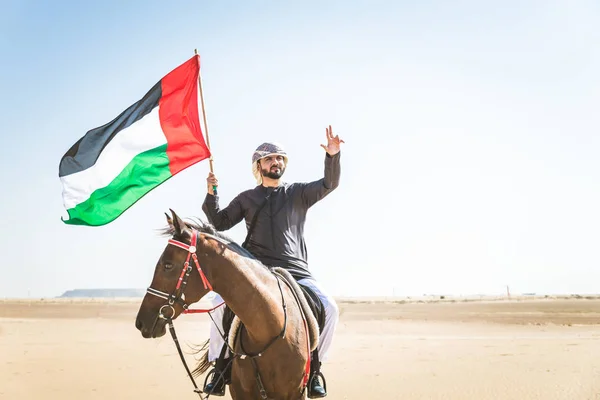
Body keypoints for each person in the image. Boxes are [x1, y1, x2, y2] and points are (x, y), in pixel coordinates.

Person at [200, 125, 344, 398]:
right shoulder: (247, 198)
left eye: (280, 158)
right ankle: (220, 369)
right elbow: (219, 221)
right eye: (269, 158)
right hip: (256, 270)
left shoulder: (299, 193)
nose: (276, 162)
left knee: (330, 308)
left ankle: (314, 371)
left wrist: (333, 156)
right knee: (218, 306)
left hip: (295, 271)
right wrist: (211, 192)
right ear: (259, 165)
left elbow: (330, 183)